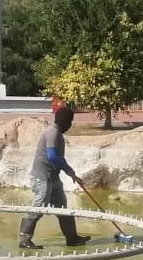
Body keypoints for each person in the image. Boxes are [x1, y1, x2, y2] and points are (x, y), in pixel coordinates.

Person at [19, 104, 90, 250]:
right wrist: (70, 171)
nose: (70, 125)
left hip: (53, 177)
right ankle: (24, 239)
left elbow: (55, 158)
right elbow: (52, 157)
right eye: (70, 122)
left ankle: (72, 238)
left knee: (62, 208)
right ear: (65, 122)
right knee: (39, 207)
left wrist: (69, 172)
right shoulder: (52, 133)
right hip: (42, 177)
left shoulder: (57, 132)